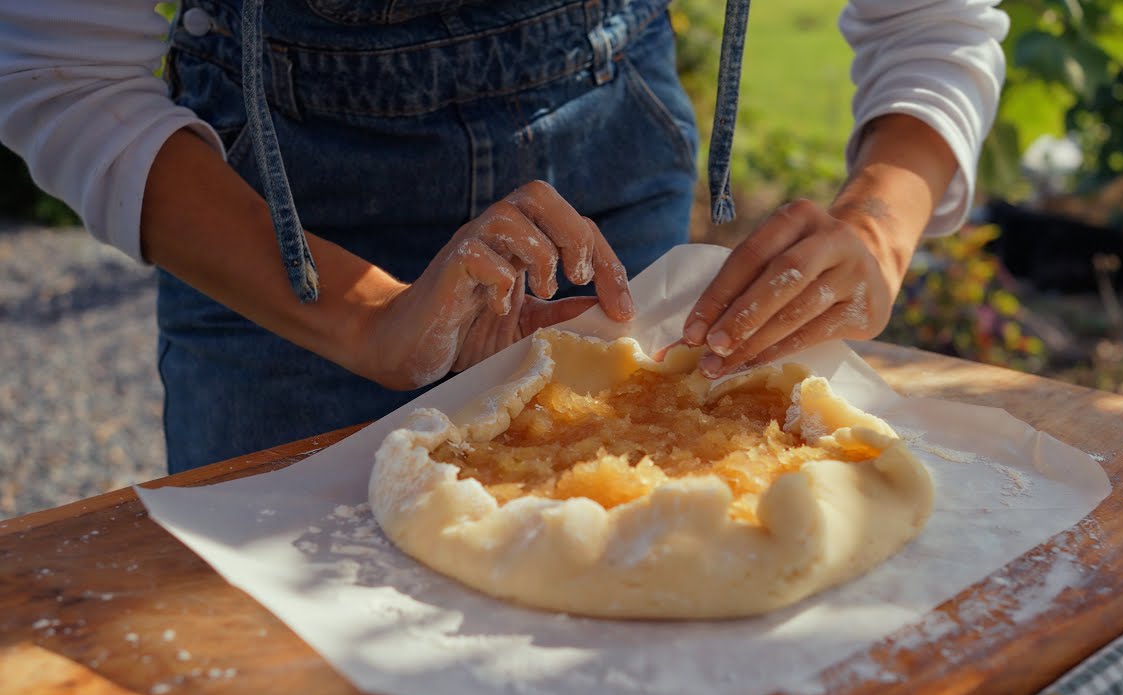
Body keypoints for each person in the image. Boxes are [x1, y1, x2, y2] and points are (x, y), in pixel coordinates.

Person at [0, 0, 1007, 472]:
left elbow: (932, 17)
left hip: (609, 204)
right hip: (277, 242)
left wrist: (878, 225)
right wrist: (366, 319)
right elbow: (66, 76)